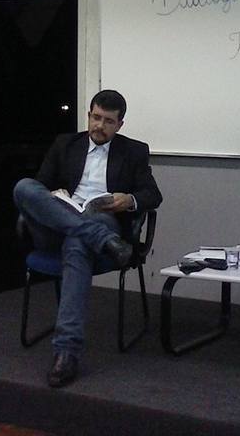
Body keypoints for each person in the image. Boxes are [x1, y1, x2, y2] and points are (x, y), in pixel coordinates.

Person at [13, 89, 162, 388]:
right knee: (23, 187)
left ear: (120, 124)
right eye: (96, 117)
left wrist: (128, 200)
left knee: (78, 242)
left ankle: (66, 352)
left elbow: (152, 195)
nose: (99, 126)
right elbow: (40, 185)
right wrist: (54, 194)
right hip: (59, 223)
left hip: (100, 216)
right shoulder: (65, 144)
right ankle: (102, 239)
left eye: (108, 121)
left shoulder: (133, 151)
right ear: (89, 115)